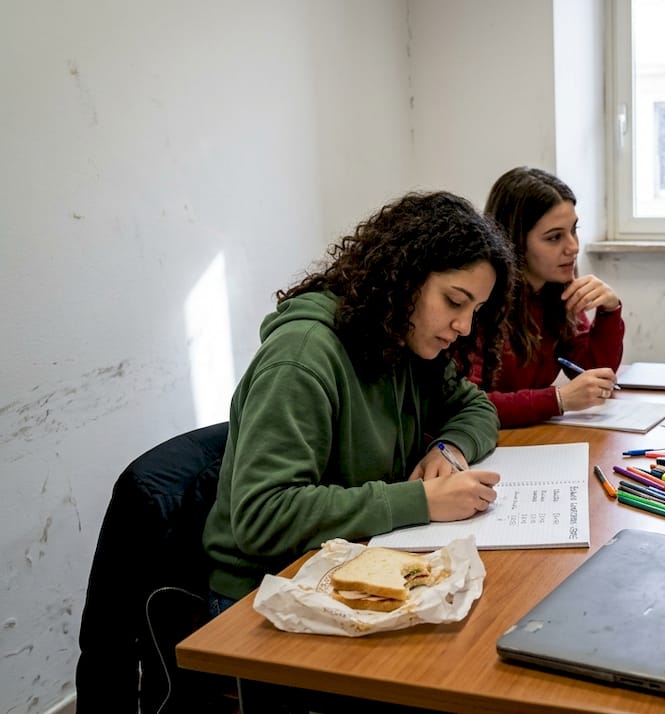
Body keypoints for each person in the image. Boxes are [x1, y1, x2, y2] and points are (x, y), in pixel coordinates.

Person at [203, 191, 516, 609]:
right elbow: (263, 515)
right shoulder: (301, 358)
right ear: (404, 277)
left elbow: (476, 408)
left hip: (353, 564)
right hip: (261, 594)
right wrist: (420, 501)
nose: (462, 326)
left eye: (475, 310)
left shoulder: (402, 339)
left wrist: (450, 445)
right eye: (454, 301)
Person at [465, 166, 625, 427]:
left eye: (574, 230)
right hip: (486, 445)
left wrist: (609, 312)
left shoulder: (557, 288)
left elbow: (591, 372)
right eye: (554, 238)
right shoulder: (480, 301)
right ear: (513, 241)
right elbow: (469, 406)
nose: (573, 247)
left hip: (528, 439)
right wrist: (558, 399)